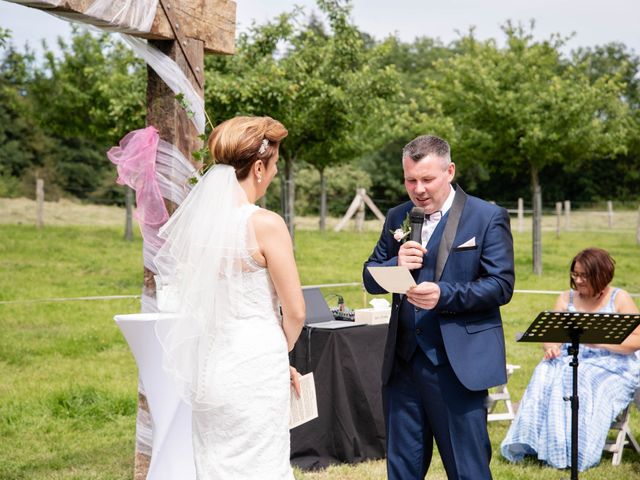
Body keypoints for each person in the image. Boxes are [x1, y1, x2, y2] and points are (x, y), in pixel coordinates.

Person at [153, 116, 306, 479]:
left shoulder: (199, 228)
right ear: (257, 167)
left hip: (212, 366)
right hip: (256, 363)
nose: (272, 175)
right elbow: (296, 311)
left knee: (217, 465)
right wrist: (274, 356)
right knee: (262, 465)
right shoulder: (264, 224)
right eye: (273, 166)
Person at [362, 134, 515, 479]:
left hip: (457, 366)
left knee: (467, 470)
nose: (418, 189)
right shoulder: (397, 216)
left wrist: (444, 294)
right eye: (410, 180)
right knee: (402, 470)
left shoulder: (487, 217)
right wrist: (394, 263)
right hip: (403, 366)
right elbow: (370, 278)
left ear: (450, 171)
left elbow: (501, 286)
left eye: (427, 179)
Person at [501, 247, 640, 472]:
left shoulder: (619, 298)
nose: (578, 280)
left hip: (613, 364)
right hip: (571, 357)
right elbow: (551, 335)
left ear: (601, 275)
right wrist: (552, 347)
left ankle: (574, 450)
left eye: (584, 275)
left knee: (581, 377)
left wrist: (600, 341)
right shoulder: (566, 297)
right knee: (545, 370)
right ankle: (535, 445)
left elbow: (638, 339)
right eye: (575, 274)